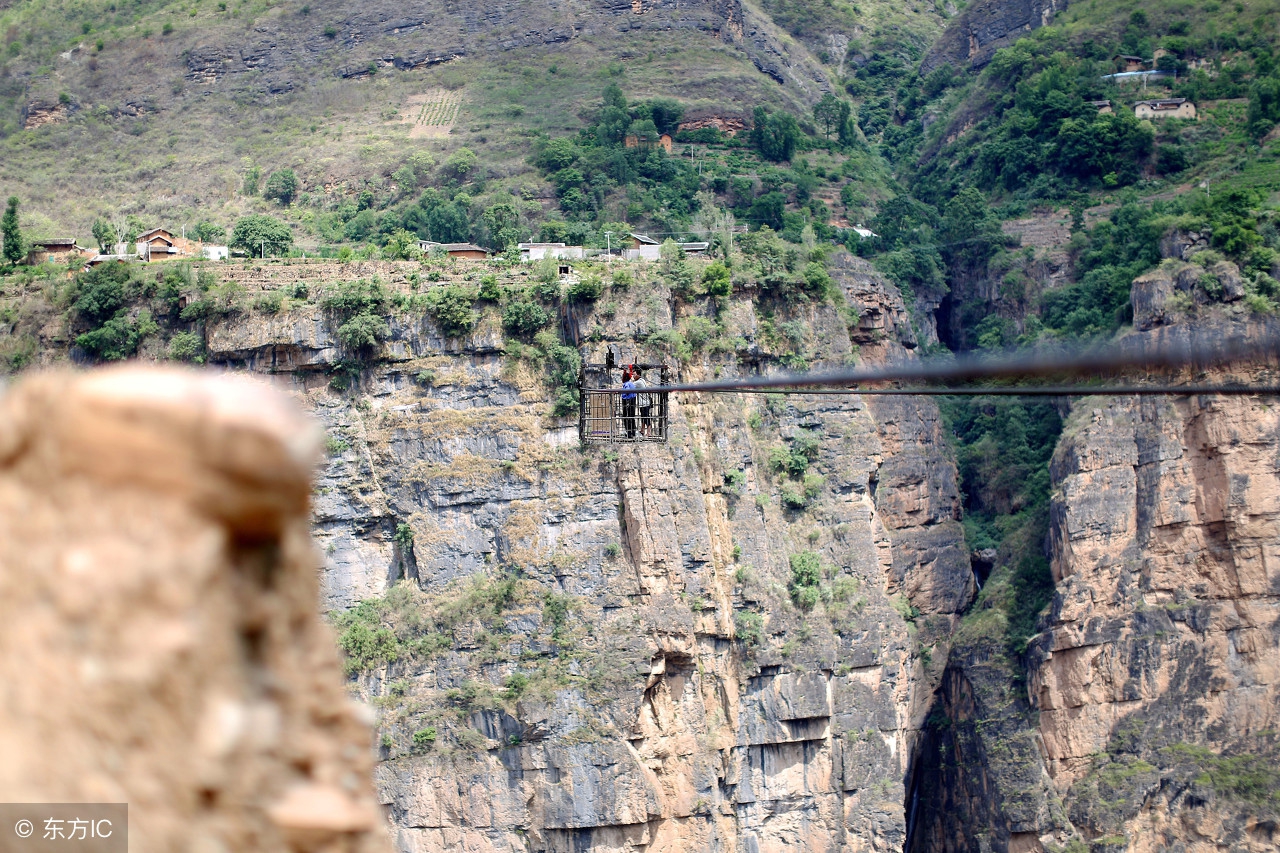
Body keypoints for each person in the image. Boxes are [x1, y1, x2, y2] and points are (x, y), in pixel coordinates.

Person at [620, 366, 638, 438]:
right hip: (633, 400)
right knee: (631, 417)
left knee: (626, 417)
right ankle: (633, 432)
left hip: (627, 401)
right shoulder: (631, 384)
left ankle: (629, 433)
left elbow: (627, 390)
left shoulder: (626, 384)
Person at [634, 370, 652, 436]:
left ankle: (649, 432)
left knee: (646, 417)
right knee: (643, 417)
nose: (633, 376)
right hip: (645, 402)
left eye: (634, 375)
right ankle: (642, 430)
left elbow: (630, 386)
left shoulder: (638, 382)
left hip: (644, 403)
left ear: (638, 375)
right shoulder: (642, 380)